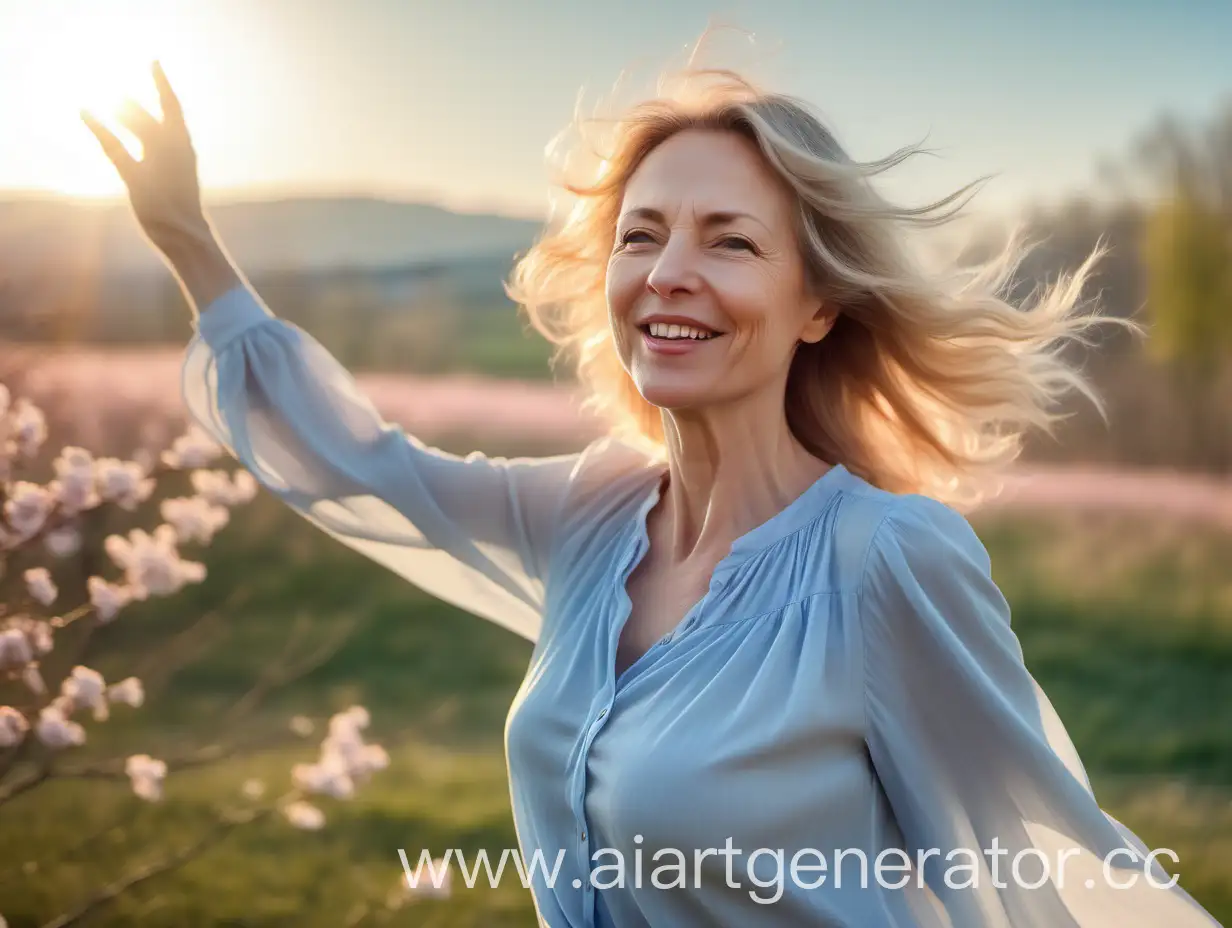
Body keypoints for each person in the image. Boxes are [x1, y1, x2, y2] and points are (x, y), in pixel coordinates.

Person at [83, 54, 1221, 928]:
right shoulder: (590, 513)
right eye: (642, 235)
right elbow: (370, 473)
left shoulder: (884, 560)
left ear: (816, 304)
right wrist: (191, 244)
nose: (669, 270)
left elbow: (1046, 859)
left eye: (729, 241)